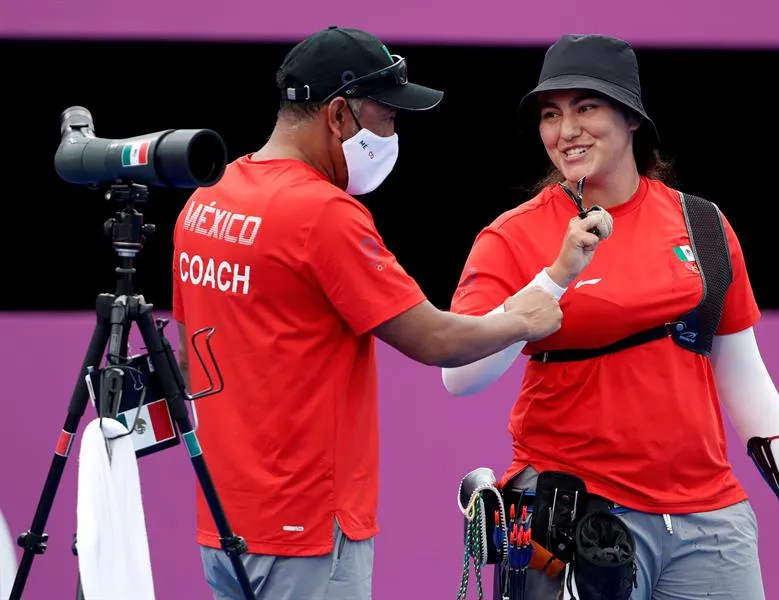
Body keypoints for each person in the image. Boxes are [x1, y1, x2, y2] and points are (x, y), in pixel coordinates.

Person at [170, 26, 607, 600]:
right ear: (338, 116)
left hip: (224, 522)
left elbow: (186, 353)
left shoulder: (207, 199)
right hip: (307, 527)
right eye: (388, 117)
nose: (394, 133)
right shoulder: (322, 212)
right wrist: (528, 314)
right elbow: (432, 340)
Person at [442, 34, 779, 599]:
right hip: (578, 521)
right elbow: (458, 377)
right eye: (551, 115)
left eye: (587, 108)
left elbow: (744, 376)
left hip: (710, 523)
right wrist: (556, 275)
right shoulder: (512, 236)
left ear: (631, 118)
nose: (566, 130)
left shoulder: (703, 225)